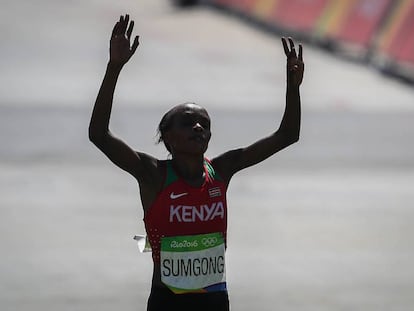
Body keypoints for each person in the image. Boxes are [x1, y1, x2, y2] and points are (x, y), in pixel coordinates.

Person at [89, 14, 304, 311]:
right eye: (188, 123)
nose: (199, 128)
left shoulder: (222, 170)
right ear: (168, 137)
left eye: (204, 123)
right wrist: (114, 67)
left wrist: (293, 87)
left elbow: (287, 135)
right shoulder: (153, 174)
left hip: (214, 301)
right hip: (168, 302)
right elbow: (99, 135)